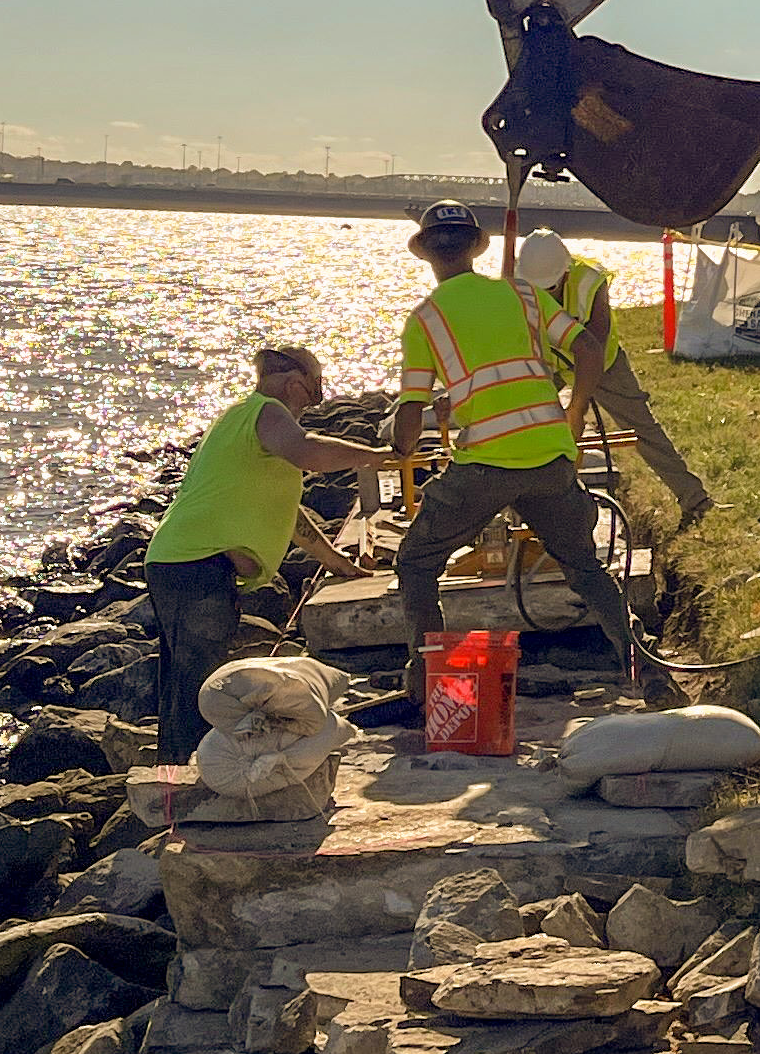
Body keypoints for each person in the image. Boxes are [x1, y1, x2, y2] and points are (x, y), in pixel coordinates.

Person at [391, 200, 640, 666]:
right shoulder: (524, 295)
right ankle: (643, 663)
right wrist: (577, 409)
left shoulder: (424, 318)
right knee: (584, 567)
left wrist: (398, 442)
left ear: (426, 254)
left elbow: (410, 416)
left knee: (416, 562)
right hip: (549, 457)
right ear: (475, 249)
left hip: (483, 465)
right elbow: (588, 346)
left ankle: (427, 679)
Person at [141, 345, 394, 767]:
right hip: (197, 565)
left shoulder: (242, 418)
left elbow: (288, 514)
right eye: (317, 383)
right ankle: (196, 778)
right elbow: (307, 451)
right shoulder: (270, 412)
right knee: (201, 686)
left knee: (181, 681)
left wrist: (333, 560)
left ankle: (174, 774)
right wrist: (375, 457)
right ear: (296, 383)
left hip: (175, 560)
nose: (319, 393)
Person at [515, 226, 709, 527]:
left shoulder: (590, 282)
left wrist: (577, 408)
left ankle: (695, 500)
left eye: (550, 288)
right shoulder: (519, 284)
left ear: (566, 273)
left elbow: (591, 350)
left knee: (642, 428)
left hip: (602, 362)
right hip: (549, 361)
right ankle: (522, 506)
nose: (543, 296)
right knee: (520, 420)